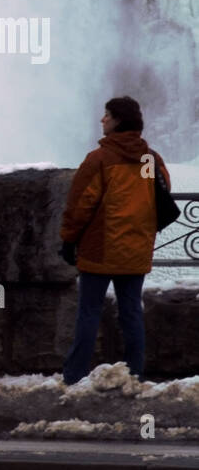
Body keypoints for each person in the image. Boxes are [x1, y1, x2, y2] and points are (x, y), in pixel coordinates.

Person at [59, 96, 170, 385]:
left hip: (100, 249)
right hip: (135, 249)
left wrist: (68, 240)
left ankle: (75, 375)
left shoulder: (100, 159)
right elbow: (161, 197)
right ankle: (134, 373)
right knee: (132, 312)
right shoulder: (150, 159)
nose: (102, 120)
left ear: (118, 120)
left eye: (106, 115)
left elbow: (80, 205)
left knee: (89, 313)